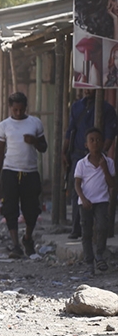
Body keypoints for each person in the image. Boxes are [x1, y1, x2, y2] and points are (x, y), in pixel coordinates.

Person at [0, 92, 48, 259]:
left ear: (26, 107)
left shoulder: (35, 123)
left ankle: (27, 238)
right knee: (10, 209)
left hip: (30, 172)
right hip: (9, 171)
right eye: (15, 109)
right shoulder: (4, 126)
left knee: (32, 209)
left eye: (21, 109)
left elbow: (44, 147)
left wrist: (34, 141)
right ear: (10, 108)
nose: (18, 113)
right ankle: (16, 245)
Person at [62, 89, 116, 239]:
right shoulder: (77, 106)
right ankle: (77, 228)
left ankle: (99, 230)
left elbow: (110, 134)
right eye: (85, 86)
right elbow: (70, 131)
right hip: (78, 154)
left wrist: (100, 154)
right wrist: (64, 151)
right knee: (77, 191)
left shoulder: (107, 109)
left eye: (90, 86)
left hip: (98, 157)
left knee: (99, 190)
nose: (87, 90)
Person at [73, 127, 115, 275]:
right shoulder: (81, 163)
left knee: (103, 227)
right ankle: (89, 262)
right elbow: (77, 184)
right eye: (92, 140)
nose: (95, 143)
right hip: (85, 202)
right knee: (86, 232)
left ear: (103, 143)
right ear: (86, 145)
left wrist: (104, 168)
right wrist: (83, 199)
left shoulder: (108, 162)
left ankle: (99, 254)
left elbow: (112, 183)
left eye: (98, 140)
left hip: (102, 200)